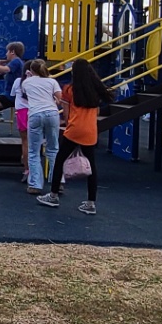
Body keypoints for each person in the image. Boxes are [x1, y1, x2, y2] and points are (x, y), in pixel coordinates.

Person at [39, 58, 106, 214]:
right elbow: (97, 111)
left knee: (60, 160)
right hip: (90, 130)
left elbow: (67, 114)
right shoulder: (96, 90)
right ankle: (91, 203)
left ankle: (53, 195)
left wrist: (68, 124)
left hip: (74, 129)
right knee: (92, 168)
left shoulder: (69, 89)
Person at [19, 59, 62, 196]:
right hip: (52, 113)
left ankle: (35, 184)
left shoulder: (27, 82)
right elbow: (59, 99)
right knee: (53, 149)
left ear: (31, 70)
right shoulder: (52, 81)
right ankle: (57, 182)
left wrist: (29, 77)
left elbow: (24, 92)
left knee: (34, 150)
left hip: (35, 114)